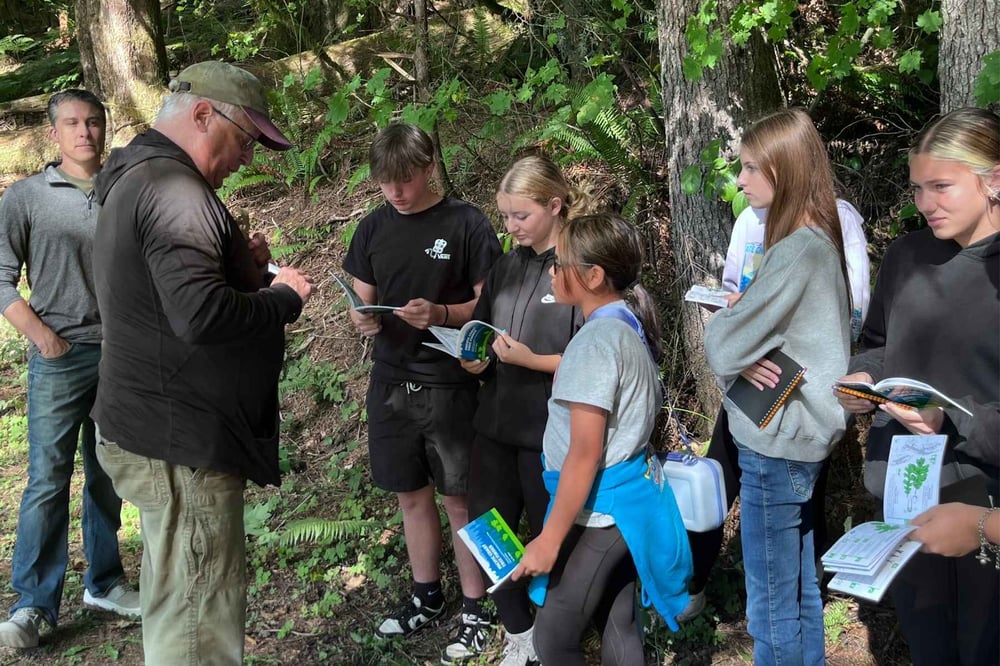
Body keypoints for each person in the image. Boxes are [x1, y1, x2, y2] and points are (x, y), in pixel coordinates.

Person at [89, 61, 314, 665]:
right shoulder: (176, 192)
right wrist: (281, 298)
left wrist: (238, 270)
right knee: (197, 625)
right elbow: (198, 316)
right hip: (180, 442)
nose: (247, 159)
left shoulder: (134, 176)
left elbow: (158, 297)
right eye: (245, 140)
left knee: (175, 601)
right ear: (203, 115)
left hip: (152, 424)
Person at [834, 107, 999, 666]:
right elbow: (882, 342)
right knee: (929, 648)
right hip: (904, 492)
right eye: (917, 188)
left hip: (985, 501)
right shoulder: (906, 256)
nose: (924, 203)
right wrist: (864, 378)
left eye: (941, 186)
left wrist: (951, 416)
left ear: (993, 179)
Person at [342, 123, 501, 664]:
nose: (396, 193)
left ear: (429, 167)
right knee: (411, 494)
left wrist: (442, 314)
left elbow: (489, 305)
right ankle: (426, 594)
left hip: (450, 382)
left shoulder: (467, 223)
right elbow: (361, 296)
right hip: (390, 381)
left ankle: (478, 608)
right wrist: (362, 318)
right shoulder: (371, 228)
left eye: (405, 181)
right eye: (386, 184)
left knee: (460, 497)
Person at [510, 213, 692, 665]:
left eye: (561, 263)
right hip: (628, 502)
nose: (553, 271)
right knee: (618, 623)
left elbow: (585, 453)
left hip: (607, 511)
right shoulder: (626, 322)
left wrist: (549, 540)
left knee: (552, 638)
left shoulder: (596, 342)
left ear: (592, 276)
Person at [704, 108, 852, 665]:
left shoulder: (796, 250)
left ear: (782, 170)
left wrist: (733, 327)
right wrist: (748, 335)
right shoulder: (814, 238)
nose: (739, 181)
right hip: (801, 442)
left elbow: (721, 345)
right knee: (799, 590)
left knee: (770, 607)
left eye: (748, 168)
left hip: (775, 445)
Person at [681, 197, 871, 620]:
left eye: (752, 168)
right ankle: (694, 580)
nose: (741, 182)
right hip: (752, 390)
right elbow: (734, 295)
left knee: (800, 511)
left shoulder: (834, 220)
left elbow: (855, 308)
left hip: (802, 400)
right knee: (722, 472)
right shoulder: (749, 218)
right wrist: (739, 330)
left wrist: (753, 336)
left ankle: (807, 590)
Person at [0, 89, 140, 649]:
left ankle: (104, 581)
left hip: (122, 355)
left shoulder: (124, 189)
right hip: (60, 358)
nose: (85, 132)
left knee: (109, 473)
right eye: (73, 123)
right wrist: (44, 339)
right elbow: (1, 277)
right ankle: (34, 605)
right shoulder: (26, 197)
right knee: (47, 480)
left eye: (94, 123)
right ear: (54, 133)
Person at [459, 155, 591, 666]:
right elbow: (487, 331)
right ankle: (519, 631)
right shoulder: (506, 265)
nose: (511, 227)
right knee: (484, 529)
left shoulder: (578, 265)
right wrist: (474, 362)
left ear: (555, 206)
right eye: (506, 216)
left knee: (549, 536)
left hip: (547, 432)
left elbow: (594, 352)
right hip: (494, 422)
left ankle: (557, 641)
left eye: (521, 216)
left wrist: (531, 360)